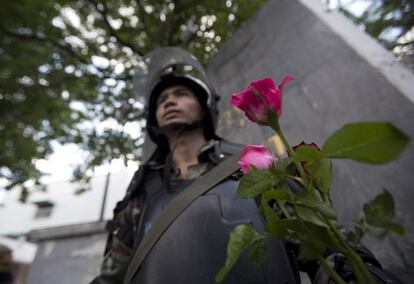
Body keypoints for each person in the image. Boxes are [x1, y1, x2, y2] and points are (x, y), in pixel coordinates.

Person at [91, 47, 402, 284]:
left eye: (180, 94)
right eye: (161, 100)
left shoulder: (251, 163)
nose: (169, 102)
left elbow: (321, 240)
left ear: (205, 106)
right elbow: (113, 273)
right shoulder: (142, 189)